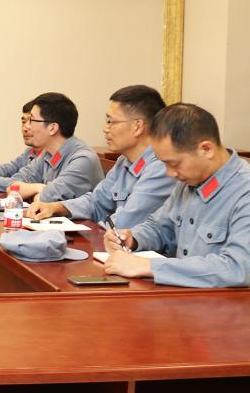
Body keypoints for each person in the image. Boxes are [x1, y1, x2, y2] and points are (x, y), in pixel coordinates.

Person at [104, 103, 250, 287]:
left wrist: (149, 266)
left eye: (174, 163)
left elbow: (238, 268)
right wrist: (133, 238)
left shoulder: (244, 190)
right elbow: (160, 227)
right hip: (182, 295)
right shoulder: (189, 181)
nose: (169, 173)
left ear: (206, 149)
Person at [28, 85, 174, 227]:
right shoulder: (124, 161)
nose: (105, 129)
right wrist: (56, 207)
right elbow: (97, 201)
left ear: (137, 126)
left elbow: (125, 222)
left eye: (111, 122)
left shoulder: (160, 167)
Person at [0, 92, 103, 201]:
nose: (27, 126)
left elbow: (46, 199)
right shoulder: (47, 154)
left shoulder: (83, 159)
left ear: (52, 128)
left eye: (32, 120)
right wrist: (39, 188)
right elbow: (13, 187)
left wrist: (36, 192)